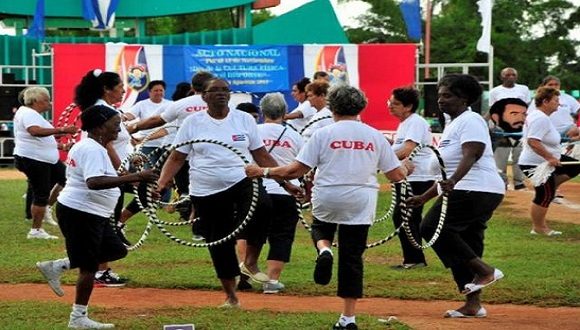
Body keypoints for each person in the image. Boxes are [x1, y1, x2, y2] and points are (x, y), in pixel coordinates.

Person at [246, 85, 411, 330]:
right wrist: (409, 168)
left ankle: (324, 249)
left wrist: (264, 171)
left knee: (321, 228)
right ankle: (348, 317)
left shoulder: (323, 134)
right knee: (352, 258)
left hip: (328, 194)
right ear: (361, 107)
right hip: (361, 198)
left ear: (332, 106)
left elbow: (295, 170)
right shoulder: (374, 135)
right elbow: (397, 175)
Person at [156, 78, 297, 308]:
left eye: (225, 90)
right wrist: (162, 184)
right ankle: (231, 296)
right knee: (219, 241)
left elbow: (261, 155)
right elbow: (176, 157)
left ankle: (250, 262)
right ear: (204, 96)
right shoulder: (193, 123)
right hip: (206, 189)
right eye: (215, 91)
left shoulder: (243, 120)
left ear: (230, 95)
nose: (221, 94)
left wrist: (285, 183)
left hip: (241, 180)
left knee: (263, 206)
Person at [35, 105, 157, 329]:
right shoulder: (91, 149)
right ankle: (78, 318)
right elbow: (95, 182)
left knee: (116, 250)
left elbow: (107, 177)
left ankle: (59, 266)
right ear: (100, 127)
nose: (119, 130)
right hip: (81, 212)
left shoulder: (95, 147)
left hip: (93, 213)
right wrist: (138, 175)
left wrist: (136, 180)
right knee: (90, 267)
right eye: (115, 125)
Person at [406, 74, 505, 318]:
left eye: (447, 95)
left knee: (431, 228)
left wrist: (454, 181)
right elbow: (446, 173)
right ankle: (473, 304)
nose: (440, 100)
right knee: (468, 244)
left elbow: (473, 153)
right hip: (471, 189)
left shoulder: (470, 120)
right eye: (440, 95)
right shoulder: (454, 122)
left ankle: (485, 271)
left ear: (464, 98)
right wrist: (424, 197)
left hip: (475, 189)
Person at [74, 69, 132, 286]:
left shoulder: (105, 108)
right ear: (107, 89)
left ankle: (101, 268)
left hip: (111, 174)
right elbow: (106, 142)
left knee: (107, 221)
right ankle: (99, 270)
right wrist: (124, 172)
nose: (123, 91)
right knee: (104, 221)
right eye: (119, 88)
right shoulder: (101, 110)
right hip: (107, 175)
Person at [13, 87, 77, 239]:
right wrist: (62, 129)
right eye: (46, 100)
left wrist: (62, 146)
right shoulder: (29, 114)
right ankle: (35, 230)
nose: (50, 103)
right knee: (41, 193)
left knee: (67, 179)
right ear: (35, 102)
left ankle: (46, 208)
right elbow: (34, 131)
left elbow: (40, 139)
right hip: (35, 160)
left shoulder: (30, 113)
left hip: (43, 158)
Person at [257, 92, 304, 294]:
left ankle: (244, 273)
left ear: (262, 111)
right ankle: (272, 281)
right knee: (282, 236)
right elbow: (304, 166)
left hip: (256, 192)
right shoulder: (295, 136)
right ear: (285, 112)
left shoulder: (253, 132)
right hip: (285, 192)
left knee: (250, 234)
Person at [518, 87, 580, 236]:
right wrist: (550, 158)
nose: (558, 104)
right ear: (545, 102)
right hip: (536, 163)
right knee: (544, 195)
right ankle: (539, 228)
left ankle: (550, 185)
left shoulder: (541, 116)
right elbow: (533, 141)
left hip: (545, 160)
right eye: (556, 101)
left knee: (575, 166)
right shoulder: (540, 118)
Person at [388, 87, 438, 269]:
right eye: (390, 102)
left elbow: (408, 149)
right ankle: (414, 259)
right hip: (411, 177)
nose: (390, 106)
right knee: (407, 217)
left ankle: (414, 259)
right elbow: (402, 147)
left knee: (405, 217)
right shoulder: (406, 123)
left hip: (418, 177)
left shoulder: (415, 122)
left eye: (395, 103)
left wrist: (385, 162)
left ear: (408, 106)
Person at [489, 67, 530, 190]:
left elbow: (527, 106)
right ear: (502, 77)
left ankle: (518, 181)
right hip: (502, 127)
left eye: (513, 75)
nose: (511, 77)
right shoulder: (495, 91)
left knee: (519, 153)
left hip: (519, 125)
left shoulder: (523, 89)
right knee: (502, 154)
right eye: (507, 75)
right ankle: (501, 180)